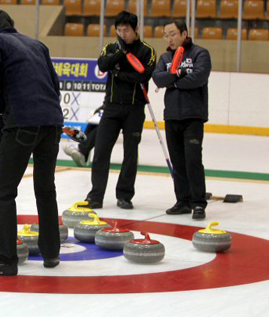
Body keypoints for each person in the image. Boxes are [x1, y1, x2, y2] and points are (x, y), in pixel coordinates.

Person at [0, 10, 64, 276]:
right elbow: (54, 86)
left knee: (3, 191)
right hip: (51, 123)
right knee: (46, 189)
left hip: (22, 122)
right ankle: (51, 252)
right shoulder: (38, 45)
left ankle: (4, 258)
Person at [84, 11, 156, 210]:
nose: (122, 33)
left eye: (126, 30)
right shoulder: (111, 47)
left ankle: (124, 195)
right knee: (101, 151)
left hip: (135, 108)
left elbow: (142, 77)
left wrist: (119, 72)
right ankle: (95, 195)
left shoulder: (147, 51)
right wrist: (120, 54)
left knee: (130, 153)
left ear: (136, 30)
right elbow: (103, 65)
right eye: (119, 30)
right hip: (112, 107)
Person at [152, 19, 211, 220]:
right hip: (172, 116)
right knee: (178, 162)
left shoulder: (199, 53)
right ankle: (183, 201)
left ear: (184, 34)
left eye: (173, 34)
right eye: (166, 35)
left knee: (193, 160)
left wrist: (174, 81)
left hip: (193, 116)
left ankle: (198, 203)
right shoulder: (165, 57)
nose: (169, 38)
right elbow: (158, 78)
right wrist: (178, 74)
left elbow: (199, 77)